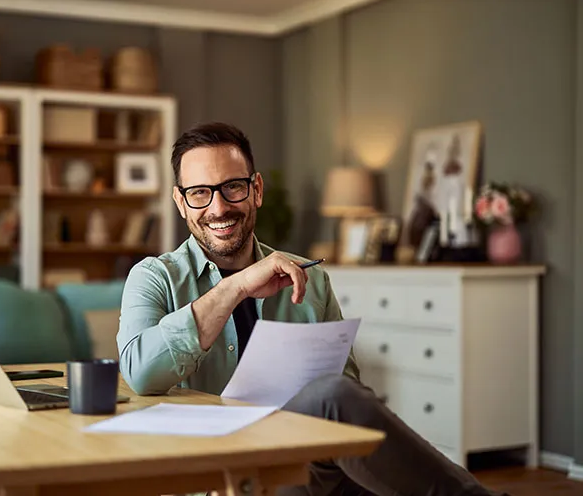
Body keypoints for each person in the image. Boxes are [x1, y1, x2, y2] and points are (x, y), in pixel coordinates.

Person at [117, 122, 507, 496]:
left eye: (232, 187)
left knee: (359, 431)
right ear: (180, 202)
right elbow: (141, 374)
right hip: (218, 483)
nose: (218, 207)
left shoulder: (308, 278)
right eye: (200, 192)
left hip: (305, 470)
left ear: (256, 190)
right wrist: (236, 286)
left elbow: (347, 396)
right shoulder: (153, 278)